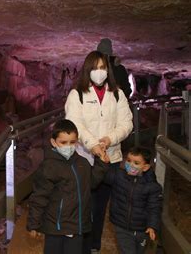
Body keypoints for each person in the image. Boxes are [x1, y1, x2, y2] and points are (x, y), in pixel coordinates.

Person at [65, 50, 133, 253]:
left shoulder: (117, 94)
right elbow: (75, 123)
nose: (99, 72)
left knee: (100, 205)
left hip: (109, 157)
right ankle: (82, 247)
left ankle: (94, 245)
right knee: (83, 205)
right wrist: (93, 145)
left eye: (103, 68)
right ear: (88, 70)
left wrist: (109, 139)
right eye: (95, 68)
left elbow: (126, 123)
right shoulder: (77, 94)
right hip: (84, 158)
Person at [26, 119, 110, 254]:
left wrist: (102, 164)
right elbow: (39, 197)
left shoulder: (82, 163)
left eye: (72, 142)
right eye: (63, 142)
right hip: (56, 226)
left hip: (77, 225)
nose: (68, 146)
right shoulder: (49, 167)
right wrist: (33, 224)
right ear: (54, 142)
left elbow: (91, 183)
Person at [105, 147, 163, 254]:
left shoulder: (152, 187)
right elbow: (105, 175)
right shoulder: (118, 176)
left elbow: (154, 208)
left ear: (145, 167)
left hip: (142, 230)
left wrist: (152, 225)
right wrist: (103, 162)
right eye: (128, 160)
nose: (131, 165)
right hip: (122, 227)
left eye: (136, 163)